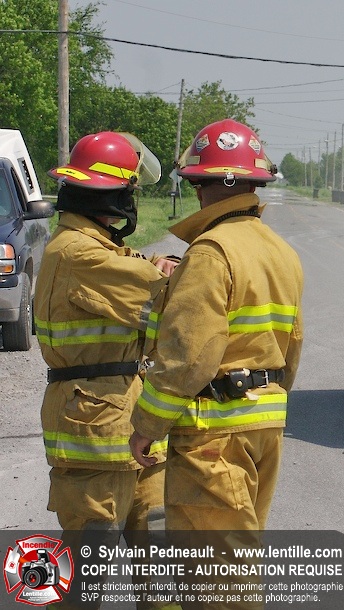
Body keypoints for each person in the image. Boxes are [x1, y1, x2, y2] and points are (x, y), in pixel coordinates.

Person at [129, 119, 303, 534]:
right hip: (263, 430)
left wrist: (147, 427)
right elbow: (292, 346)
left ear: (197, 185)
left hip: (214, 439)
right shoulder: (282, 252)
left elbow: (188, 357)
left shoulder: (210, 253)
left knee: (214, 569)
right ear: (254, 184)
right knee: (238, 557)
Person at [34, 131, 178, 610]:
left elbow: (132, 270)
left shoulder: (93, 247)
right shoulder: (79, 253)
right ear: (113, 196)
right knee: (85, 577)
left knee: (160, 565)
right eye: (129, 191)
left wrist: (156, 264)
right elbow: (164, 295)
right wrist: (182, 270)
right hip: (95, 429)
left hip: (128, 420)